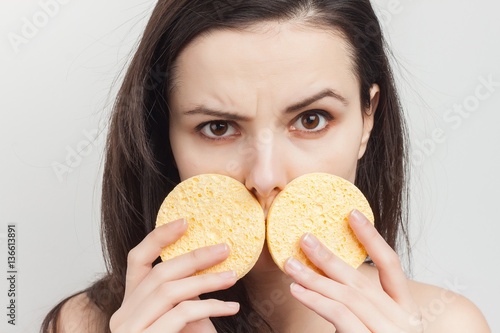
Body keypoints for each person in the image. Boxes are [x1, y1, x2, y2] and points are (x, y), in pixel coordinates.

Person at [42, 0, 491, 332]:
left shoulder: (448, 325)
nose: (265, 177)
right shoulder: (86, 324)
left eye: (311, 120)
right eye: (218, 127)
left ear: (366, 122)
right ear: (165, 136)